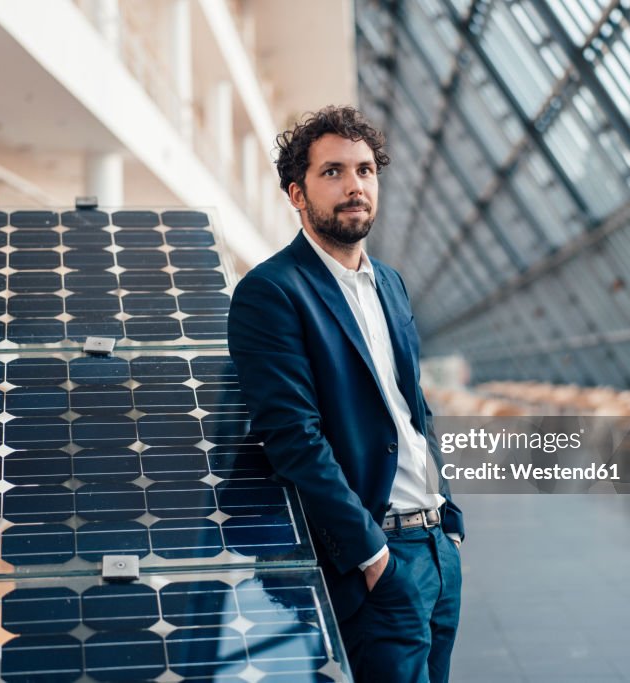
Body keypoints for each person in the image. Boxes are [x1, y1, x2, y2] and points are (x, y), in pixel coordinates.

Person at [227, 105, 464, 682]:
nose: (354, 185)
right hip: (376, 556)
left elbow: (413, 406)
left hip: (436, 545)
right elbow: (294, 438)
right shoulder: (272, 292)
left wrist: (449, 519)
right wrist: (371, 555)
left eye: (365, 170)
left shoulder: (390, 281)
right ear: (297, 194)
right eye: (333, 172)